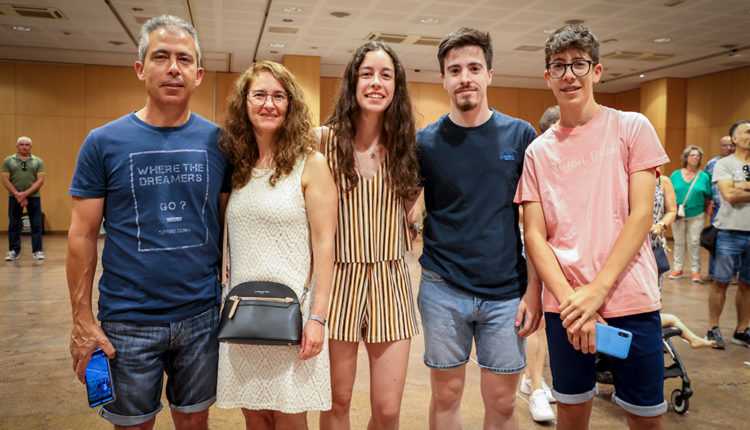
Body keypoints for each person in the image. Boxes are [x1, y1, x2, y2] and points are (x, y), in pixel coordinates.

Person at [66, 15, 230, 429]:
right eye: (161, 57)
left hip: (201, 317)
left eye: (184, 59)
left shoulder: (220, 143)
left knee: (195, 422)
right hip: (126, 321)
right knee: (130, 424)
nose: (173, 68)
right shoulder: (102, 142)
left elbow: (229, 223)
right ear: (140, 69)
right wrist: (82, 321)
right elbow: (82, 235)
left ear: (198, 75)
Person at [516, 24, 669, 429]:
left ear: (596, 71)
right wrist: (572, 302)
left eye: (578, 64)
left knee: (645, 416)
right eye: (559, 66)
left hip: (629, 299)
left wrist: (597, 291)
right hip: (565, 306)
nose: (569, 74)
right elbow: (535, 234)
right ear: (548, 77)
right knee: (571, 411)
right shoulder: (537, 152)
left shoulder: (632, 127)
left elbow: (641, 215)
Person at [416, 27, 542, 429]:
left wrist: (534, 290)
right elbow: (401, 206)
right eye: (455, 70)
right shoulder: (425, 142)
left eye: (474, 68)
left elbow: (537, 224)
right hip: (442, 289)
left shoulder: (521, 135)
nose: (464, 77)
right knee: (446, 395)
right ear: (444, 79)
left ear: (489, 74)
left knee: (502, 403)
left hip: (506, 292)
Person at [216, 61, 337, 428]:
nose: (269, 104)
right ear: (244, 102)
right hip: (243, 316)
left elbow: (325, 246)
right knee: (254, 417)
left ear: (290, 105)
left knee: (289, 418)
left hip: (292, 318)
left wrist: (317, 318)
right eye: (259, 95)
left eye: (278, 96)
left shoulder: (311, 164)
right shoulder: (237, 166)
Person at [317, 42, 421, 430]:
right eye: (367, 74)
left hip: (390, 279)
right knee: (337, 400)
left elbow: (415, 204)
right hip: (338, 279)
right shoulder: (321, 142)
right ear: (352, 82)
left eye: (385, 75)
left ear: (396, 86)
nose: (376, 82)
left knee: (388, 409)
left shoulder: (407, 146)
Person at [518, 105, 560, 423]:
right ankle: (534, 387)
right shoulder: (534, 158)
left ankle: (532, 376)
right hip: (535, 248)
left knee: (551, 322)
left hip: (566, 253)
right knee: (538, 320)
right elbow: (523, 212)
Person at [652, 168, 715, 348]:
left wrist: (661, 224)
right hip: (629, 245)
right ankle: (671, 331)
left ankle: (657, 337)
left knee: (654, 295)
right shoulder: (623, 179)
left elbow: (671, 210)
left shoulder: (662, 181)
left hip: (653, 243)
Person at [707, 119, 750, 349]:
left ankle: (742, 330)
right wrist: (735, 188)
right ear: (734, 138)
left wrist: (740, 185)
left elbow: (735, 190)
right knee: (721, 282)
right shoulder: (724, 164)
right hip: (729, 233)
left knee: (747, 284)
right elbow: (729, 195)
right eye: (747, 132)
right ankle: (713, 328)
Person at [668, 146, 712, 283]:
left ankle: (696, 270)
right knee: (679, 242)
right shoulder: (675, 175)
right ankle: (677, 268)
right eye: (693, 155)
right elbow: (669, 193)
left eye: (698, 156)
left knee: (694, 242)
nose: (696, 157)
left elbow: (708, 195)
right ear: (686, 158)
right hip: (678, 214)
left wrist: (708, 207)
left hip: (697, 214)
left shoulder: (704, 177)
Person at [2, 136, 45, 261]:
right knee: (13, 224)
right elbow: (5, 180)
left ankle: (37, 251)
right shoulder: (8, 161)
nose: (24, 147)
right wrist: (18, 194)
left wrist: (24, 194)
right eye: (22, 144)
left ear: (30, 147)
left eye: (27, 145)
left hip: (34, 197)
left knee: (36, 224)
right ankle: (13, 251)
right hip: (14, 197)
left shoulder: (38, 161)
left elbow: (40, 181)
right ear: (17, 146)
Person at [704, 136, 735, 281]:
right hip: (718, 209)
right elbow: (706, 185)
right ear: (720, 146)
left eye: (731, 145)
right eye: (725, 145)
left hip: (736, 208)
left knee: (734, 241)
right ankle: (712, 273)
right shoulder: (712, 164)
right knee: (715, 241)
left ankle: (733, 274)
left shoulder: (742, 163)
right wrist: (708, 202)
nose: (728, 148)